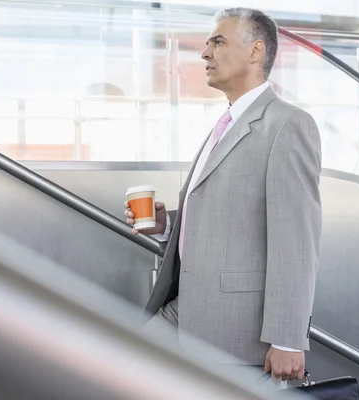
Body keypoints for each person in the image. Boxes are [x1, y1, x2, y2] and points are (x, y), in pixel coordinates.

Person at [124, 7, 321, 384]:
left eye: (218, 41)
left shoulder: (288, 125)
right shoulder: (226, 122)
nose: (204, 53)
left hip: (237, 327)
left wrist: (287, 338)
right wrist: (168, 226)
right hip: (187, 309)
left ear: (255, 51)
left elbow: (296, 240)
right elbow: (228, 212)